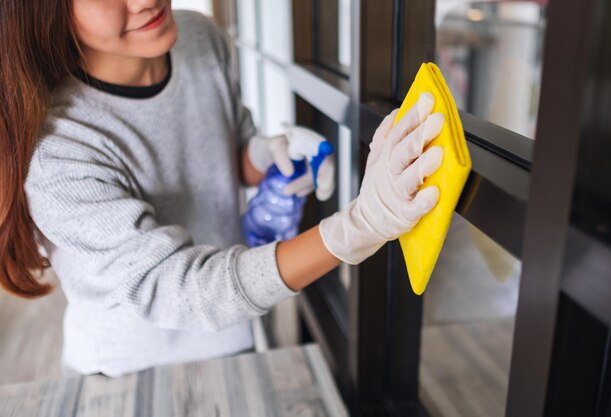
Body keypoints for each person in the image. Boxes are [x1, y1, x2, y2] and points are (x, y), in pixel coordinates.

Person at [0, 0, 444, 377]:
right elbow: (181, 289)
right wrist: (360, 226)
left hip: (236, 335)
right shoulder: (58, 147)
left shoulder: (197, 38)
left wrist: (267, 153)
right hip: (128, 370)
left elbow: (230, 151)